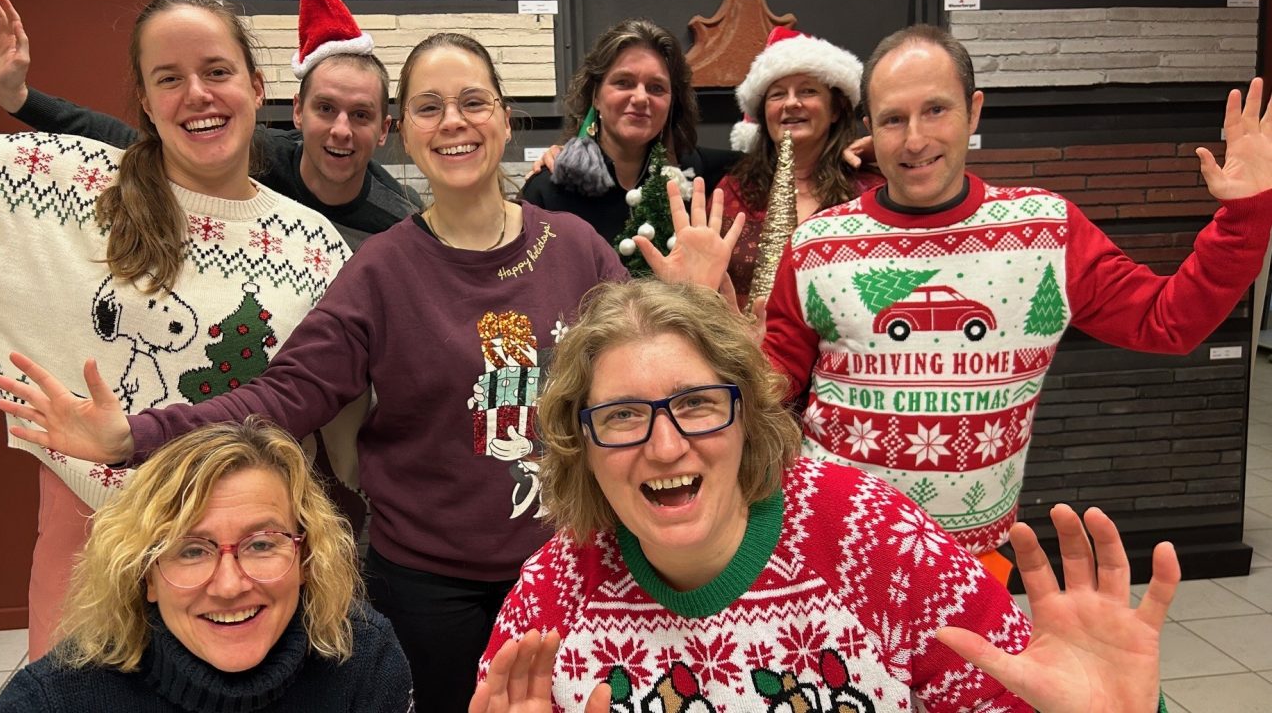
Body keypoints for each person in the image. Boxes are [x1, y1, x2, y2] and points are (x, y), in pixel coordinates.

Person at [0, 32, 737, 712]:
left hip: (574, 563)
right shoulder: (380, 270)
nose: (453, 121)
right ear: (404, 132)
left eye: (473, 101)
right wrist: (130, 435)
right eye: (429, 107)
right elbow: (285, 396)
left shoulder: (575, 248)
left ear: (506, 120)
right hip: (428, 588)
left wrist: (696, 307)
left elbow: (653, 388)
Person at [0, 0, 350, 659]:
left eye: (216, 71)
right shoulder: (62, 185)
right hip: (92, 536)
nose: (197, 95)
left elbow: (348, 421)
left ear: (256, 86)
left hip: (250, 554)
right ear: (146, 102)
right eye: (169, 78)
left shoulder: (314, 247)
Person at [478, 279, 1179, 713]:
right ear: (580, 445)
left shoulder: (870, 535)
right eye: (622, 416)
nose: (665, 447)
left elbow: (1023, 697)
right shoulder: (550, 600)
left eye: (697, 404)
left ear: (749, 418)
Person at [762, 23, 1272, 568]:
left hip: (975, 560)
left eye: (936, 110)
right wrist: (712, 324)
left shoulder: (1046, 229)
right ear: (870, 127)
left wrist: (1245, 216)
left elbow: (1167, 322)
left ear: (973, 112)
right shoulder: (817, 243)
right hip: (835, 549)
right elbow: (769, 387)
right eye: (893, 119)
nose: (914, 139)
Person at [0, 0, 418, 251]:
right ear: (298, 112)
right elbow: (120, 139)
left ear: (384, 129)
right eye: (325, 108)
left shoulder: (399, 220)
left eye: (361, 115)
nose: (341, 130)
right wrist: (19, 97)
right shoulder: (251, 154)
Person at [0, 418, 412, 712]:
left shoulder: (364, 661)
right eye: (191, 551)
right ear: (146, 575)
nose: (229, 586)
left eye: (262, 544)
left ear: (305, 558)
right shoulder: (53, 700)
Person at [521, 18, 739, 245]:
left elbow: (761, 162)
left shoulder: (692, 171)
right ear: (596, 96)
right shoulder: (549, 189)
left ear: (672, 102)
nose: (641, 98)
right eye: (624, 82)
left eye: (656, 87)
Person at [719, 26, 885, 310]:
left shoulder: (870, 190)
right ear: (763, 113)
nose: (792, 103)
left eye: (808, 91)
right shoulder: (733, 191)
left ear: (835, 110)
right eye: (777, 94)